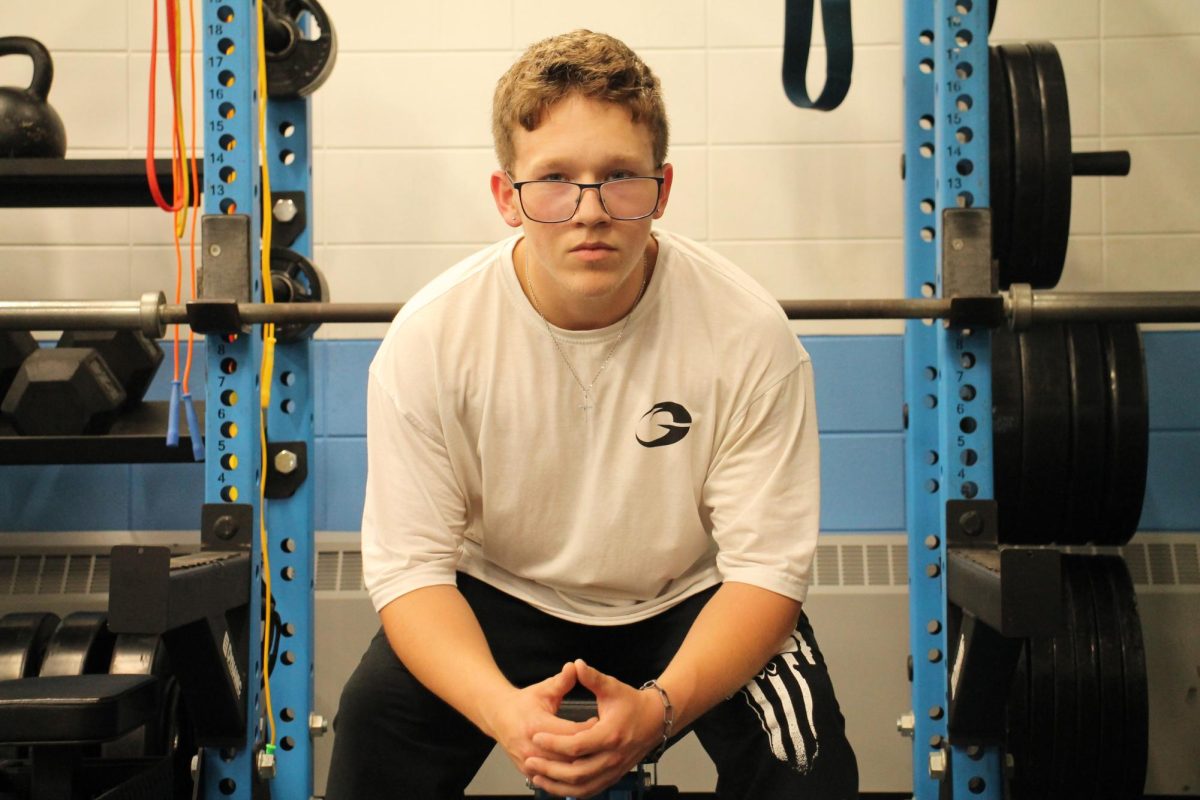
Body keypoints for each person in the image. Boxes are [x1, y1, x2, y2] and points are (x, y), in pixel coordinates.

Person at [326, 29, 858, 800]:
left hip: (689, 593)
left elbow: (765, 573)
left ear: (663, 189)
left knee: (806, 762)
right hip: (504, 590)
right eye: (554, 180)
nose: (590, 211)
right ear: (506, 197)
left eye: (619, 178)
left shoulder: (747, 332)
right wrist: (507, 715)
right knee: (375, 726)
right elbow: (411, 571)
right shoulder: (432, 339)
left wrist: (660, 710)